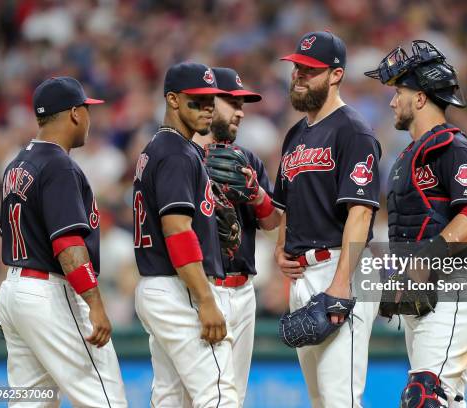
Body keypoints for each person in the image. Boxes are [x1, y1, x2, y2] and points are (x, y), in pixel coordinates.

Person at [365, 40, 467, 407]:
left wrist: (423, 260)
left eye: (399, 92)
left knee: (424, 397)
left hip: (454, 290)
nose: (392, 102)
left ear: (420, 98)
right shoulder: (408, 155)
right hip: (423, 298)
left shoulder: (454, 148)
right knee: (444, 399)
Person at [0, 76, 128, 407]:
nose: (88, 118)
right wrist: (95, 305)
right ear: (73, 114)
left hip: (17, 288)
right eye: (86, 110)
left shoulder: (17, 163)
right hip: (50, 292)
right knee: (105, 399)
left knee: (31, 401)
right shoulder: (58, 165)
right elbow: (67, 244)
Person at [273, 31, 382, 407]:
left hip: (341, 266)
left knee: (341, 399)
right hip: (304, 274)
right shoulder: (295, 135)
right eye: (297, 67)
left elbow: (361, 212)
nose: (299, 75)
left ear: (336, 75)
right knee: (321, 399)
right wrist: (280, 247)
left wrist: (340, 284)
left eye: (310, 70)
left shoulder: (353, 130)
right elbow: (286, 203)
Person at [133, 61, 238, 407]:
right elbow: (177, 231)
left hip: (160, 285)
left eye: (212, 100)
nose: (209, 108)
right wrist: (206, 300)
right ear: (174, 100)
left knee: (171, 397)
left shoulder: (165, 147)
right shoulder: (176, 152)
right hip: (180, 286)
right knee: (219, 392)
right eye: (198, 100)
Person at [192, 66, 281, 406]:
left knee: (233, 395)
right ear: (208, 103)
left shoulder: (249, 160)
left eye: (243, 104)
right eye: (232, 102)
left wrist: (257, 194)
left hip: (243, 288)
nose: (241, 112)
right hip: (202, 287)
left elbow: (272, 221)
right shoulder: (183, 157)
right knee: (201, 395)